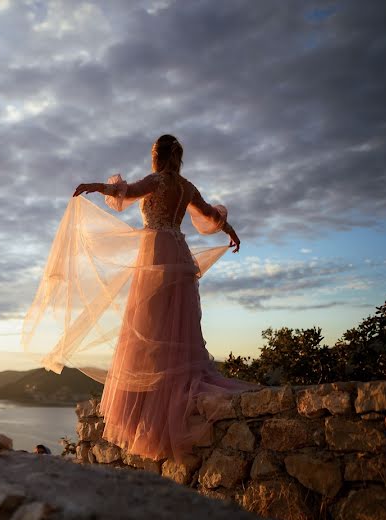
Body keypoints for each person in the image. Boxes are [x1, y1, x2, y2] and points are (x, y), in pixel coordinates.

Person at [22, 134, 256, 462]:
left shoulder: (156, 181)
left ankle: (150, 408)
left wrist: (96, 185)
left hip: (156, 252)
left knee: (149, 324)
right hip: (178, 253)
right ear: (178, 158)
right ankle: (170, 393)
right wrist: (230, 231)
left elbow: (126, 193)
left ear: (156, 157)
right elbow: (210, 216)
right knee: (176, 324)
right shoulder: (187, 187)